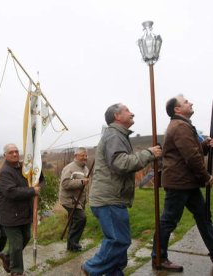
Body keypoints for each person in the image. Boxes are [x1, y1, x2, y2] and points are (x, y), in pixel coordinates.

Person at [82, 103, 162, 276]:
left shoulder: (118, 135)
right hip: (109, 199)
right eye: (127, 110)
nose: (132, 113)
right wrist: (149, 154)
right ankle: (90, 269)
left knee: (119, 251)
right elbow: (121, 163)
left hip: (112, 198)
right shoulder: (114, 135)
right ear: (117, 116)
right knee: (119, 241)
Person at [151, 95, 213, 272]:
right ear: (177, 110)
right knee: (169, 221)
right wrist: (206, 177)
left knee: (203, 217)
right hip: (180, 183)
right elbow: (191, 157)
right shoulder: (179, 126)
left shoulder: (183, 125)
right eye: (186, 102)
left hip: (187, 183)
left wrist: (206, 146)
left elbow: (192, 151)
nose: (191, 102)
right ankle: (159, 258)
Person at [0, 143, 40, 276]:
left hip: (24, 212)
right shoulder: (5, 172)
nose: (15, 154)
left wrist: (38, 174)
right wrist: (32, 191)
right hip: (10, 214)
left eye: (16, 151)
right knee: (16, 244)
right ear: (5, 155)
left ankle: (7, 256)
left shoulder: (24, 167)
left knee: (26, 237)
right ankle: (17, 271)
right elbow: (11, 192)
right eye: (11, 152)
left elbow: (39, 177)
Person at [59, 147, 89, 252]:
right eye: (82, 155)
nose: (85, 157)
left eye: (86, 155)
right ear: (76, 156)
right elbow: (65, 184)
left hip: (79, 200)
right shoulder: (70, 168)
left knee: (73, 222)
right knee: (81, 218)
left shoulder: (85, 168)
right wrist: (81, 182)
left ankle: (70, 247)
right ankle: (74, 244)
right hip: (69, 200)